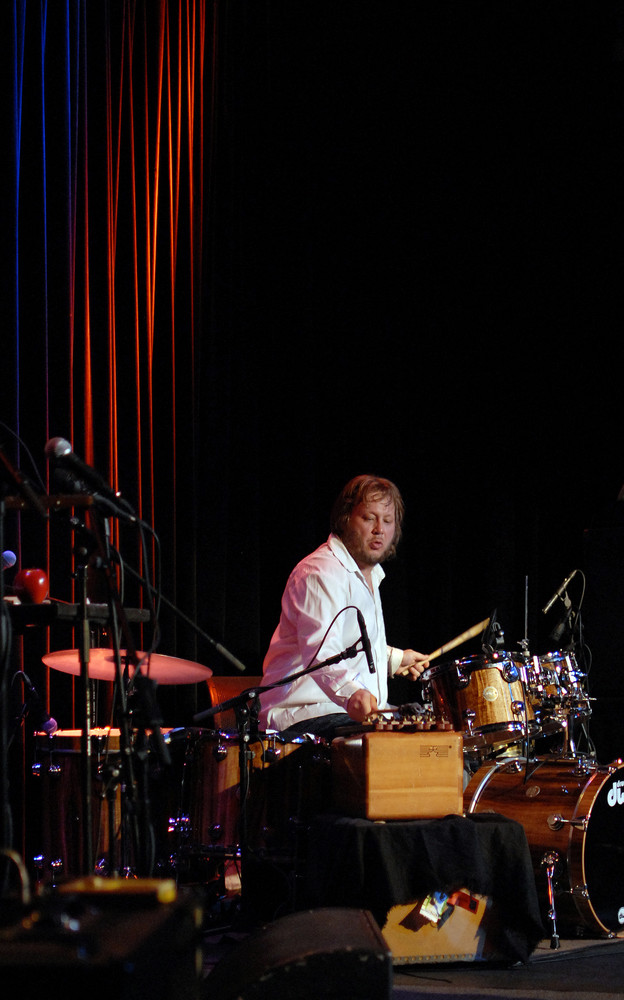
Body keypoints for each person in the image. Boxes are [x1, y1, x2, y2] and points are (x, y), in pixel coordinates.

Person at [258, 474, 430, 740]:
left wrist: (395, 659)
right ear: (346, 518)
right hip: (305, 715)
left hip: (339, 714)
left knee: (438, 737)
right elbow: (321, 652)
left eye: (387, 521)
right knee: (398, 746)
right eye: (369, 518)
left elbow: (349, 645)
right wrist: (352, 695)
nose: (379, 530)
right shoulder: (320, 572)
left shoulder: (370, 575)